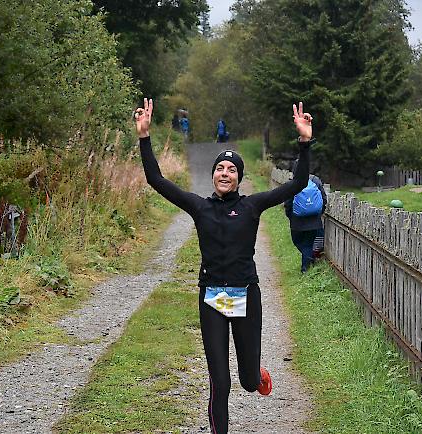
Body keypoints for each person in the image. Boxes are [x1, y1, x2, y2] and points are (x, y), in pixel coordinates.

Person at [134, 98, 314, 434]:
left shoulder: (252, 206)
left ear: (239, 179)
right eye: (220, 168)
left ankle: (255, 372)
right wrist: (144, 138)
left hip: (247, 296)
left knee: (246, 382)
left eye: (232, 170)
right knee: (220, 381)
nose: (224, 173)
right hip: (211, 299)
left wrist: (304, 142)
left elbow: (297, 184)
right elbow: (156, 179)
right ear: (214, 176)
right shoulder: (200, 208)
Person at [283, 163, 326, 273]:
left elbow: (288, 203)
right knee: (308, 243)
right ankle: (309, 260)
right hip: (314, 220)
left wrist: (291, 216)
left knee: (300, 242)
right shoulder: (315, 180)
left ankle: (305, 269)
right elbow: (323, 199)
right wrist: (318, 214)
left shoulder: (292, 183)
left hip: (297, 221)